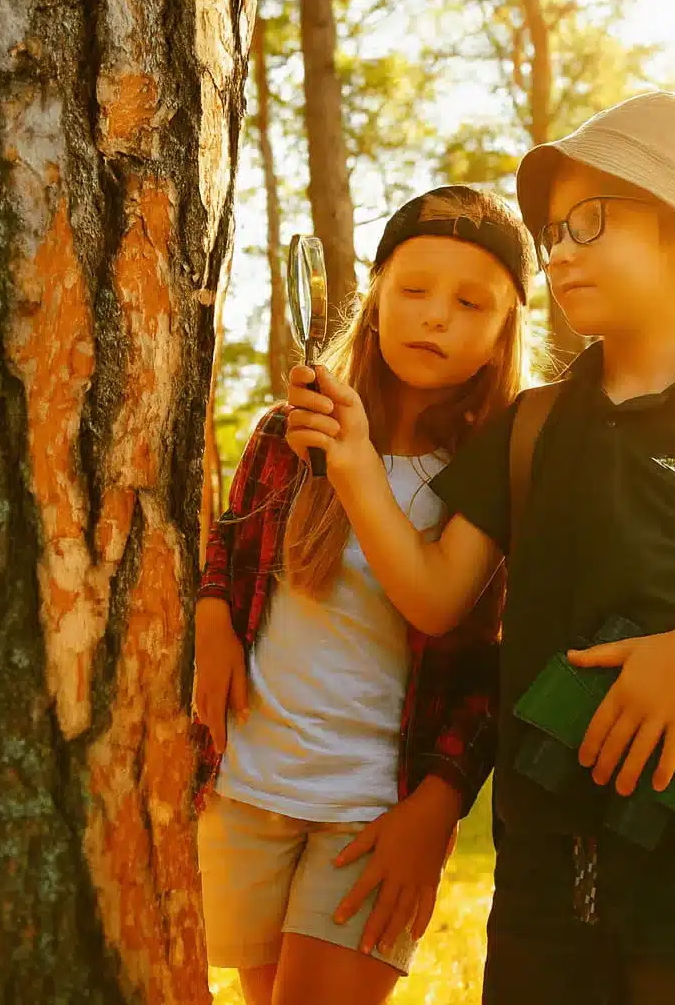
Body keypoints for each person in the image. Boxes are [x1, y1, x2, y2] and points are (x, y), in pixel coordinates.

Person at [284, 92, 675, 1004]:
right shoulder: (529, 427)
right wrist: (352, 467)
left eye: (589, 222)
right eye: (552, 232)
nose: (560, 250)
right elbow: (433, 595)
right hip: (542, 875)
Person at [191, 185, 537, 1005]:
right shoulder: (291, 430)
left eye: (468, 302)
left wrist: (438, 803)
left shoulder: (494, 478)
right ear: (376, 299)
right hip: (247, 786)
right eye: (414, 290)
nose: (435, 316)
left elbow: (478, 648)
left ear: (501, 337)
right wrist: (210, 617)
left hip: (374, 811)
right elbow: (231, 542)